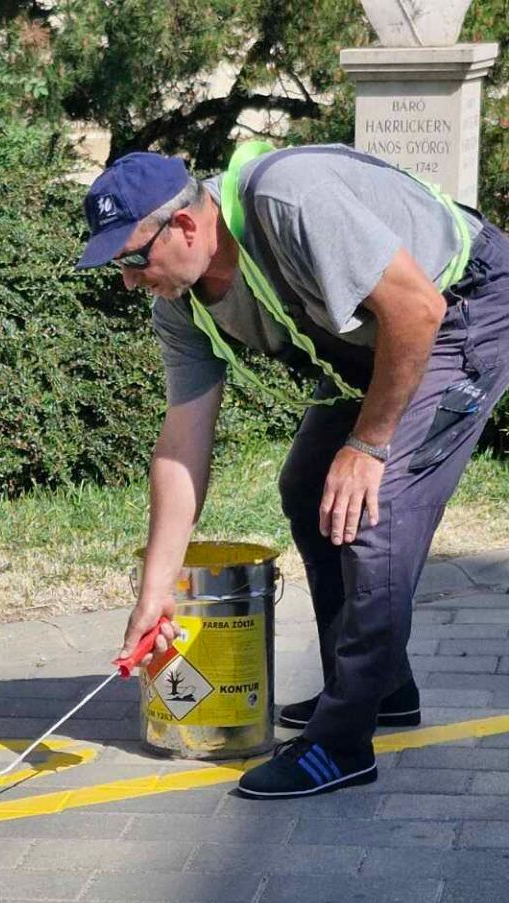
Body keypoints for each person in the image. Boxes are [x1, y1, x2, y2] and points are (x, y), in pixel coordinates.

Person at [78, 142, 509, 798]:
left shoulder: (287, 200)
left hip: (461, 311)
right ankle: (379, 686)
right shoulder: (181, 306)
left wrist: (368, 448)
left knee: (376, 507)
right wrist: (155, 589)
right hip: (377, 341)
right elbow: (182, 442)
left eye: (133, 259)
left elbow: (418, 311)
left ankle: (340, 744)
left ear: (186, 226)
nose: (129, 281)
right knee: (309, 486)